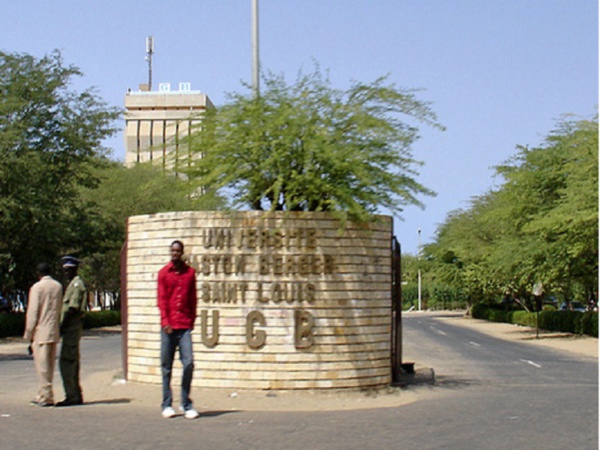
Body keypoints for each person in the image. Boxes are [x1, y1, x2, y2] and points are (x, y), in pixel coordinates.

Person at [157, 240, 199, 419]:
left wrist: (191, 320)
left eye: (178, 251)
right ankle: (167, 403)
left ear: (182, 253)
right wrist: (165, 321)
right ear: (170, 252)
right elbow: (162, 299)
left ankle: (186, 403)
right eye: (172, 251)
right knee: (166, 366)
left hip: (184, 326)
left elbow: (193, 298)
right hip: (168, 327)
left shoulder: (190, 273)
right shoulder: (164, 273)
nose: (175, 253)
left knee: (188, 362)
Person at [23, 263, 63, 407]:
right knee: (49, 365)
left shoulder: (37, 288)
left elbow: (33, 313)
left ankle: (46, 396)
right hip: (53, 330)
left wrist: (29, 333)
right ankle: (42, 393)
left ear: (38, 273)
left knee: (42, 366)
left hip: (41, 332)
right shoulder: (58, 286)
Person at [57, 255, 86, 407]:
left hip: (71, 329)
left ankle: (72, 395)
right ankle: (75, 394)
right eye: (65, 270)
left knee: (67, 363)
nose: (66, 272)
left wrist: (62, 326)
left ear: (75, 269)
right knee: (72, 362)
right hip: (71, 329)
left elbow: (72, 309)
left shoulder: (76, 285)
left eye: (69, 269)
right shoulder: (72, 284)